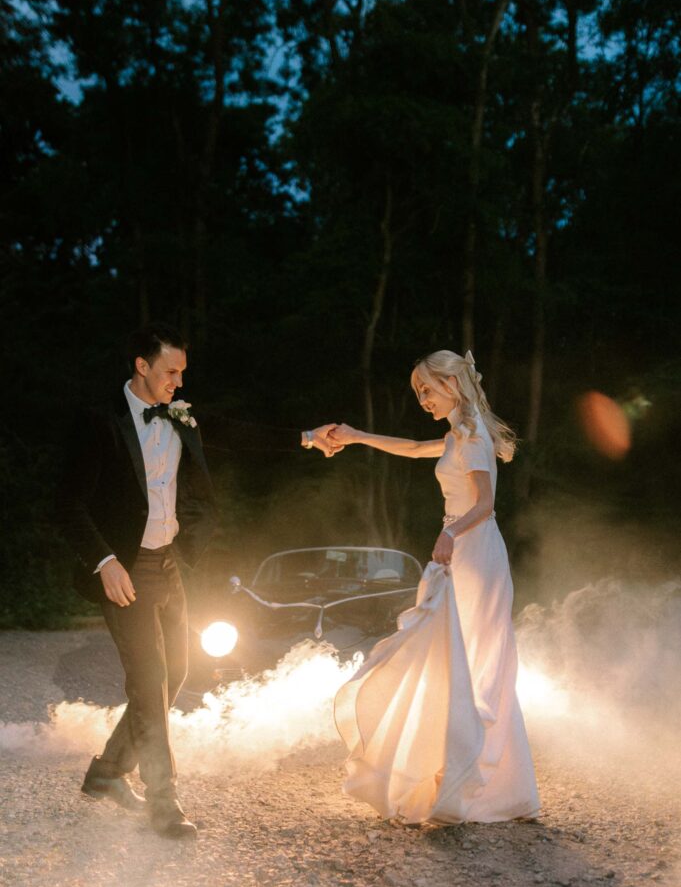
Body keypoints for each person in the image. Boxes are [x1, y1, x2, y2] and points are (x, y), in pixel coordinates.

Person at [56, 321, 338, 839]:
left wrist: (306, 438)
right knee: (148, 681)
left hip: (167, 565)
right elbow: (65, 503)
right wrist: (104, 560)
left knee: (176, 674)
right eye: (170, 371)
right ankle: (164, 803)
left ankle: (104, 774)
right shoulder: (99, 420)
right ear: (141, 366)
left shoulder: (181, 415)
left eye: (182, 372)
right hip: (124, 572)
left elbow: (237, 433)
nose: (178, 383)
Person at [329, 350, 540, 824]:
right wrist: (358, 437)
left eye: (427, 389)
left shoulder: (474, 436)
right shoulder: (456, 435)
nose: (422, 399)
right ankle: (454, 769)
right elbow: (411, 447)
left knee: (476, 665)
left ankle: (474, 777)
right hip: (462, 549)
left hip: (475, 553)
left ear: (452, 383)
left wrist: (449, 532)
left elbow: (485, 504)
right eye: (418, 392)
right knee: (451, 660)